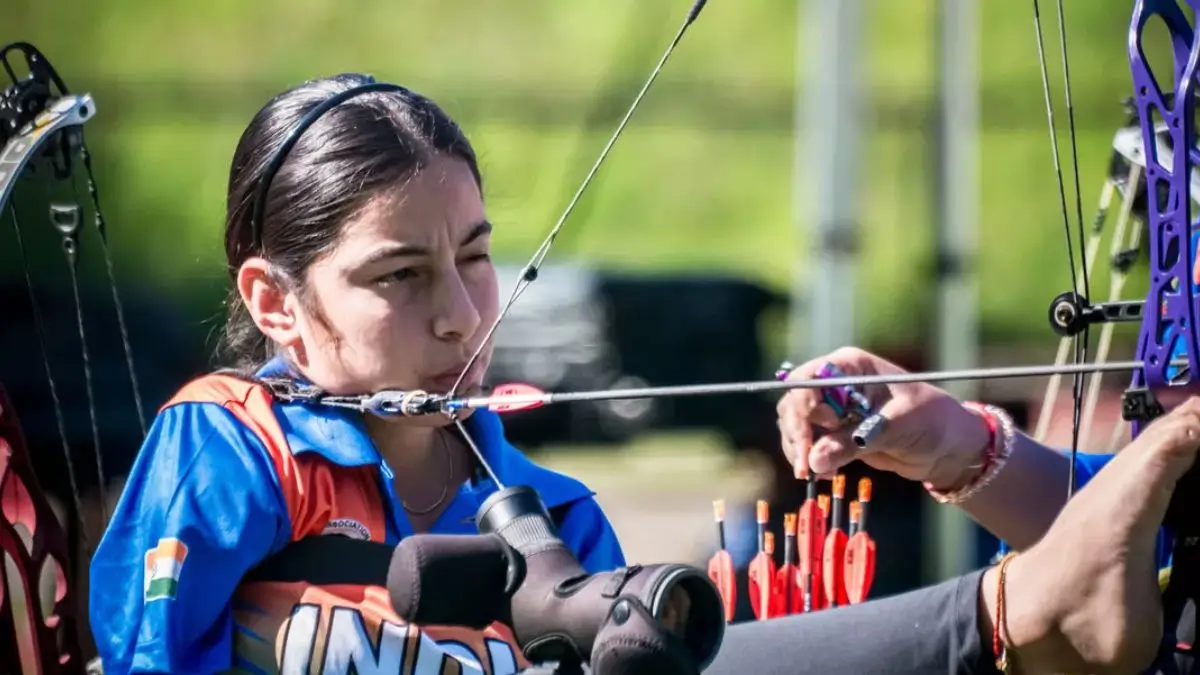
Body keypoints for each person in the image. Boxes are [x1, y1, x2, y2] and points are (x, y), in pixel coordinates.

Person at [87, 74, 624, 675]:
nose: (463, 318)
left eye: (474, 258)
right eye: (400, 274)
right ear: (275, 302)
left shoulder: (561, 516)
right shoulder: (236, 450)